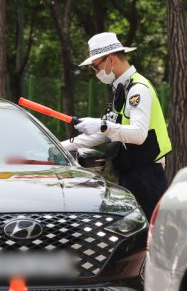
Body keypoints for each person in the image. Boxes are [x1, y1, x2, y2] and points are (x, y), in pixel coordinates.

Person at [61, 32, 172, 218]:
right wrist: (58, 147)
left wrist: (103, 125)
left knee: (151, 230)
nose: (95, 72)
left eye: (95, 66)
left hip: (147, 175)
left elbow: (138, 134)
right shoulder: (122, 89)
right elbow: (105, 133)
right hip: (132, 172)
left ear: (111, 60)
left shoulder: (138, 89)